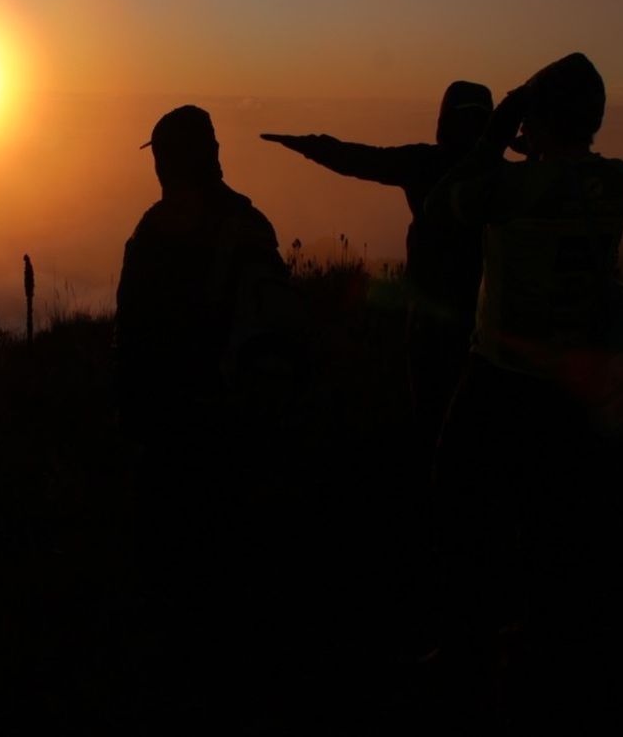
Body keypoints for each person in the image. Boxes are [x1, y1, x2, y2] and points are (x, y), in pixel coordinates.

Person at [426, 53, 623, 723]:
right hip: (569, 393)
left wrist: (498, 131)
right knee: (548, 530)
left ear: (540, 117)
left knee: (463, 516)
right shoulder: (617, 182)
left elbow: (445, 205)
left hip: (498, 382)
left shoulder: (512, 188)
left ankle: (466, 659)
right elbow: (564, 182)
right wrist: (539, 142)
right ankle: (537, 658)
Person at [113, 104, 304, 715]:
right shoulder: (241, 225)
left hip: (196, 431)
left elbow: (132, 335)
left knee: (189, 578)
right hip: (203, 430)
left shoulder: (161, 228)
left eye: (164, 157)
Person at [260, 81, 494, 431]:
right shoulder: (500, 174)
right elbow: (362, 159)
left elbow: (362, 160)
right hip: (483, 314)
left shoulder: (425, 163)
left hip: (430, 313)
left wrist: (309, 145)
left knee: (431, 409)